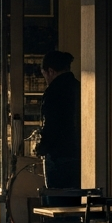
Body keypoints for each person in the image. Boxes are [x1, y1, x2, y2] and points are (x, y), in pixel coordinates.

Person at [34, 50, 81, 189]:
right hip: (79, 153)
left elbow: (52, 124)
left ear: (50, 71)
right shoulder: (79, 87)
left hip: (59, 155)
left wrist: (42, 147)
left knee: (57, 200)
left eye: (44, 75)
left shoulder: (53, 91)